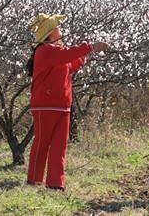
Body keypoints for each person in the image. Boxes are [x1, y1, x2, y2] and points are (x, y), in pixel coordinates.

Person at [26, 13, 108, 190]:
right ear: (51, 32)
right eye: (57, 28)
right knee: (42, 143)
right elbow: (67, 55)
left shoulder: (55, 52)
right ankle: (34, 179)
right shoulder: (45, 50)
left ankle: (55, 183)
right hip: (46, 105)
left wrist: (86, 55)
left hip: (62, 105)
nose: (60, 31)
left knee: (59, 145)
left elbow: (70, 64)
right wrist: (90, 47)